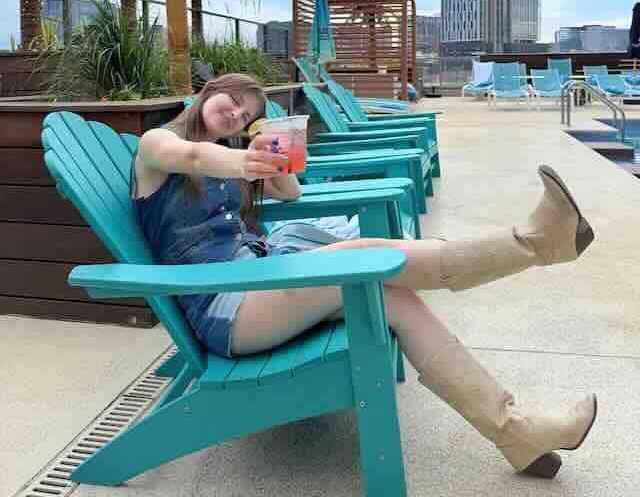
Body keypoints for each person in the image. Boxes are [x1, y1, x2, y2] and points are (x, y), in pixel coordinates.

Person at [131, 73, 598, 480]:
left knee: (395, 299)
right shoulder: (158, 144)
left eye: (247, 113)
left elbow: (290, 194)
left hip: (257, 284)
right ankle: (533, 242)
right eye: (231, 101)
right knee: (359, 256)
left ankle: (517, 432)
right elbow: (190, 158)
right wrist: (243, 162)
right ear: (208, 91)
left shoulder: (230, 154)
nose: (235, 114)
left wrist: (276, 159)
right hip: (225, 309)